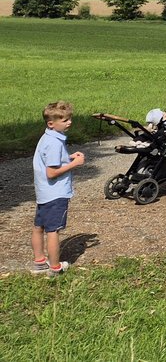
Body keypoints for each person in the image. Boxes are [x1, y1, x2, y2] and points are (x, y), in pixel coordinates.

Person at [31, 101, 85, 275]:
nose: (68, 122)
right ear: (51, 123)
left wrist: (68, 158)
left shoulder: (48, 137)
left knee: (38, 226)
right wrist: (74, 164)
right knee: (53, 230)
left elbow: (51, 160)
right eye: (63, 119)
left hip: (43, 192)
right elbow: (52, 172)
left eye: (69, 118)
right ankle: (55, 267)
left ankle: (39, 261)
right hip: (56, 193)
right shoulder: (55, 143)